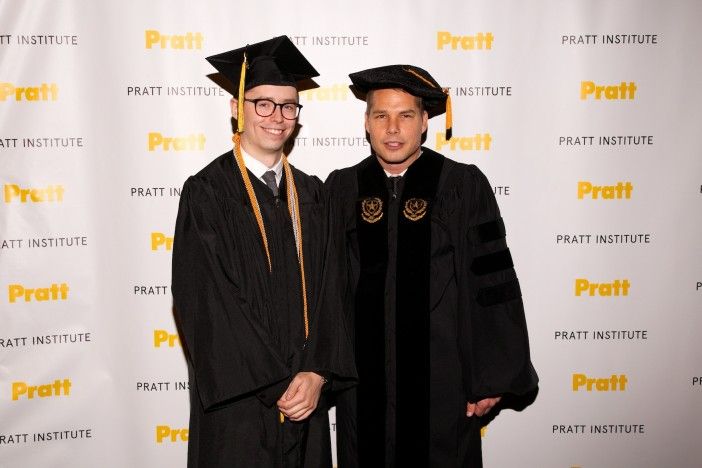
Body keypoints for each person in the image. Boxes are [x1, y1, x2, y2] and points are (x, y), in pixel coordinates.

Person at [325, 64, 538, 467]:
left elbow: (490, 285)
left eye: (405, 115)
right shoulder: (342, 189)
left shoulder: (461, 185)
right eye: (380, 115)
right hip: (362, 388)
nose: (392, 128)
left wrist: (489, 376)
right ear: (366, 123)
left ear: (424, 122)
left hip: (443, 383)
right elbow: (325, 292)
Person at [171, 36, 356, 468]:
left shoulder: (312, 193)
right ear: (237, 108)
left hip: (306, 400)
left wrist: (316, 374)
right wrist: (277, 384)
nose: (277, 117)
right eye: (263, 104)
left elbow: (333, 291)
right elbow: (206, 301)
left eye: (289, 106)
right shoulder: (207, 193)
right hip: (240, 403)